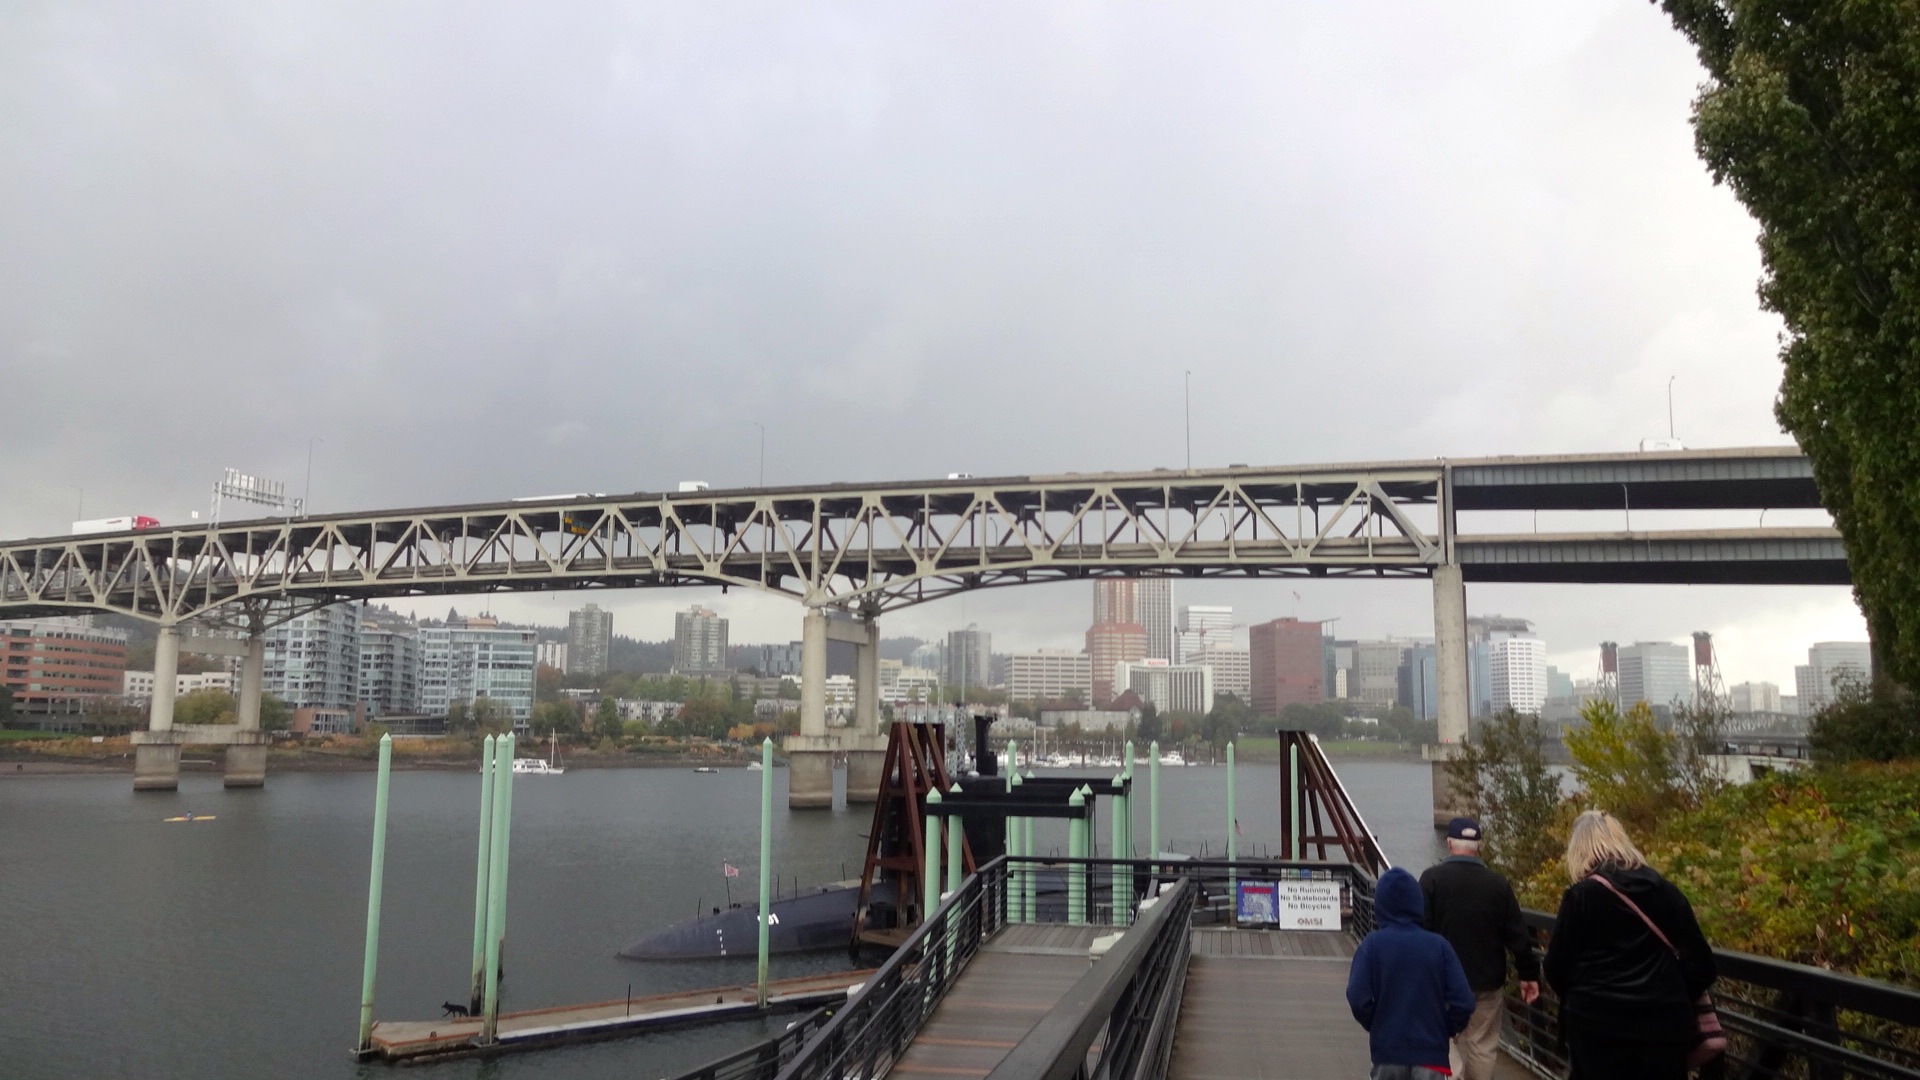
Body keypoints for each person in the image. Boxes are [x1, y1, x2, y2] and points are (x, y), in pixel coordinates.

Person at [1543, 810, 1716, 1080]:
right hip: (1663, 1030)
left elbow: (1555, 968)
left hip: (1596, 1030)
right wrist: (1666, 992)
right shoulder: (1664, 890)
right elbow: (1702, 965)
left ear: (1578, 850)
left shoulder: (1581, 896)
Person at [1419, 816, 1542, 1080]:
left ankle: (1452, 1076)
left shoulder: (1431, 880)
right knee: (1482, 1045)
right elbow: (1517, 934)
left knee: (1441, 1038)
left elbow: (1420, 931)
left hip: (1443, 982)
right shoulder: (1498, 884)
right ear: (1479, 846)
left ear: (1449, 844)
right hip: (1487, 982)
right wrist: (1528, 974)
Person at [1347, 866, 1477, 1080]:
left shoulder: (1372, 945)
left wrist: (1375, 1023)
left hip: (1387, 1052)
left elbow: (1356, 996)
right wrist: (1446, 1028)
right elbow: (1464, 1001)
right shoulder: (1440, 946)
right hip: (1431, 1054)